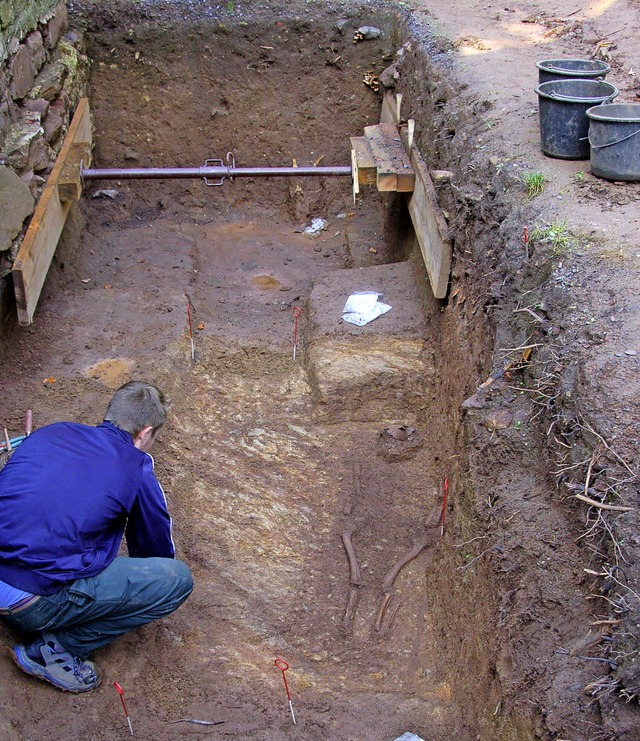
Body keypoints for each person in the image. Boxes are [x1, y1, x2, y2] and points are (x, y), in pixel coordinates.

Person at [0, 381, 193, 693]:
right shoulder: (136, 467)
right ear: (144, 433)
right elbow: (155, 551)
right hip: (29, 601)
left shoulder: (53, 432)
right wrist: (145, 585)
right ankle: (54, 650)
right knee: (176, 580)